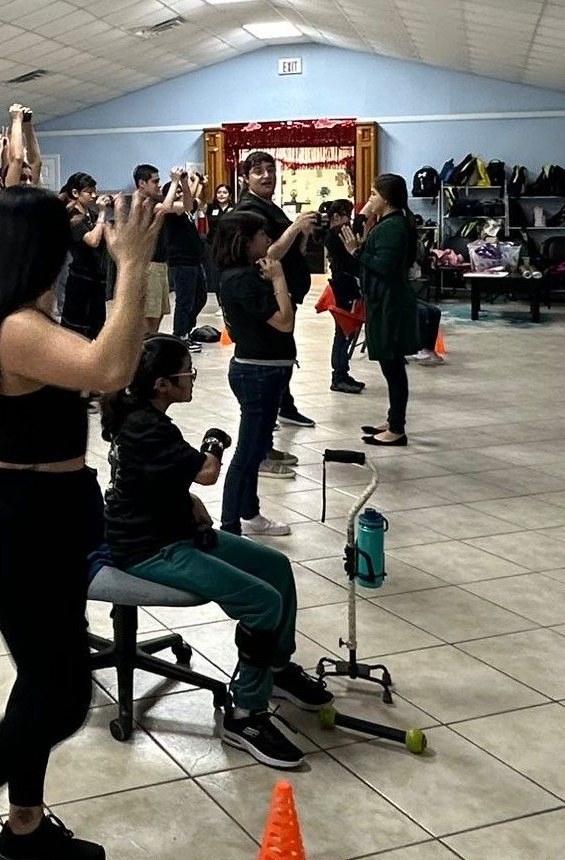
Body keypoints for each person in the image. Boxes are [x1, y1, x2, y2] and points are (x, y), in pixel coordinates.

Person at [0, 186, 166, 860]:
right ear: (39, 247)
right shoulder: (15, 326)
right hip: (18, 522)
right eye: (68, 230)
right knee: (61, 698)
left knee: (42, 680)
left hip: (51, 510)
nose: (79, 237)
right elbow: (111, 370)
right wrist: (133, 263)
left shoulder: (26, 310)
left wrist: (132, 271)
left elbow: (123, 343)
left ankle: (24, 831)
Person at [100, 334, 334, 767]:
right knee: (262, 602)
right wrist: (215, 443)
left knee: (276, 567)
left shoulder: (142, 416)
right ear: (162, 385)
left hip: (173, 528)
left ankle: (276, 668)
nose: (192, 378)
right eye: (186, 373)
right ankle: (244, 714)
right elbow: (207, 474)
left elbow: (149, 478)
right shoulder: (145, 425)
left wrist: (184, 500)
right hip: (149, 549)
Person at [213, 211, 297, 537]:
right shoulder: (241, 280)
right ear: (244, 242)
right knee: (247, 455)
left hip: (267, 370)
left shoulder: (242, 273)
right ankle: (230, 528)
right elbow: (284, 322)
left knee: (257, 448)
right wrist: (279, 281)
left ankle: (249, 512)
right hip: (256, 374)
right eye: (262, 235)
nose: (267, 241)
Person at [235, 152, 317, 429]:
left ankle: (284, 405)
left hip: (286, 288)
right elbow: (267, 253)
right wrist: (295, 228)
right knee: (272, 352)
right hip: (268, 291)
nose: (267, 176)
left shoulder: (269, 206)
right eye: (258, 171)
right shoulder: (250, 210)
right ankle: (267, 416)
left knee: (283, 349)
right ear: (245, 178)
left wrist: (302, 238)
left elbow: (288, 250)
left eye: (270, 170)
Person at [344, 175, 421, 447]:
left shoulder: (393, 227)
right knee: (391, 366)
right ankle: (392, 419)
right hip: (382, 301)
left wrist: (356, 252)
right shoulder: (386, 223)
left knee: (393, 366)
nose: (369, 200)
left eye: (374, 195)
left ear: (386, 199)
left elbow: (384, 266)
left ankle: (397, 428)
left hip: (391, 304)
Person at [160, 168, 209, 349]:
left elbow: (191, 199)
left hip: (194, 260)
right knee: (185, 300)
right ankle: (180, 334)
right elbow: (182, 204)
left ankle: (187, 329)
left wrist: (189, 180)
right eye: (177, 191)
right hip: (181, 261)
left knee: (200, 298)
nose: (180, 193)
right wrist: (176, 182)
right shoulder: (171, 210)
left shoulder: (185, 208)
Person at [321, 199, 366, 394]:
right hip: (343, 288)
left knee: (344, 334)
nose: (350, 221)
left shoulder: (337, 234)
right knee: (343, 334)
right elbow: (350, 261)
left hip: (345, 286)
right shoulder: (336, 234)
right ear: (337, 217)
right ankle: (338, 376)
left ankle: (342, 373)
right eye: (347, 216)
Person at [59, 173, 110, 340]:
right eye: (89, 192)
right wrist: (103, 214)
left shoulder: (92, 215)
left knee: (97, 324)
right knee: (77, 329)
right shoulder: (72, 216)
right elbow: (93, 240)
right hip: (80, 280)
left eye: (95, 191)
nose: (94, 195)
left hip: (97, 279)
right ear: (76, 193)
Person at [132, 165, 173, 334]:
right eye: (155, 181)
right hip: (148, 265)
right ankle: (145, 354)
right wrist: (175, 181)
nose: (158, 184)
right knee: (149, 317)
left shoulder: (153, 202)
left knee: (158, 314)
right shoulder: (139, 203)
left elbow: (185, 205)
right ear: (142, 183)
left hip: (159, 264)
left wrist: (183, 184)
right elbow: (166, 208)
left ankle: (151, 348)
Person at [202, 183, 234, 296]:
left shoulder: (234, 208)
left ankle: (228, 302)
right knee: (215, 274)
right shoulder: (210, 207)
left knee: (228, 273)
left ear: (229, 195)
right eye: (219, 192)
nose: (221, 195)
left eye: (224, 192)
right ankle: (220, 303)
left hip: (229, 245)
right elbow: (202, 201)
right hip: (212, 244)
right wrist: (204, 186)